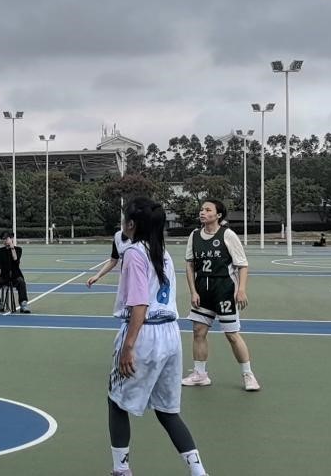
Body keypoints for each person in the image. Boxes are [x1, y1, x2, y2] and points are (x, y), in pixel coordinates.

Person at [106, 198, 208, 476]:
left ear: (131, 224)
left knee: (116, 402)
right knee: (167, 410)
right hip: (170, 335)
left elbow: (140, 304)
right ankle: (198, 471)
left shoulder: (134, 253)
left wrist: (128, 346)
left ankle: (121, 470)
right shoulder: (162, 253)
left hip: (145, 333)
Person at [181, 199, 258, 392]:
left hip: (224, 289)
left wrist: (241, 290)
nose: (203, 212)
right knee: (198, 331)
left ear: (218, 215)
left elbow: (242, 264)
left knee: (232, 334)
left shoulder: (227, 235)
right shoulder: (194, 235)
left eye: (208, 210)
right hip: (203, 289)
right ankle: (200, 374)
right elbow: (190, 265)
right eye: (202, 209)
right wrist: (193, 291)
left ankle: (248, 374)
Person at [0, 232, 30, 313]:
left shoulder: (18, 249)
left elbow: (15, 259)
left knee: (21, 282)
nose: (5, 241)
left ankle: (23, 304)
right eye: (3, 239)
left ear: (11, 239)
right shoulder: (0, 251)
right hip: (4, 276)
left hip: (15, 276)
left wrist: (12, 248)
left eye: (6, 239)